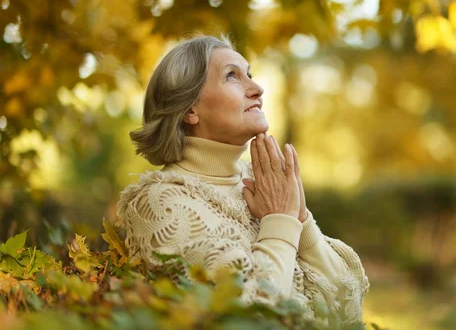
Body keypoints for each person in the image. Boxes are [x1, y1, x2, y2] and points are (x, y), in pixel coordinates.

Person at [116, 34, 370, 327]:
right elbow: (251, 315)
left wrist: (299, 218)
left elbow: (346, 305)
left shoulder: (262, 186)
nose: (257, 89)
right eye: (232, 76)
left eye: (249, 74)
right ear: (189, 110)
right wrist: (280, 219)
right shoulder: (160, 204)